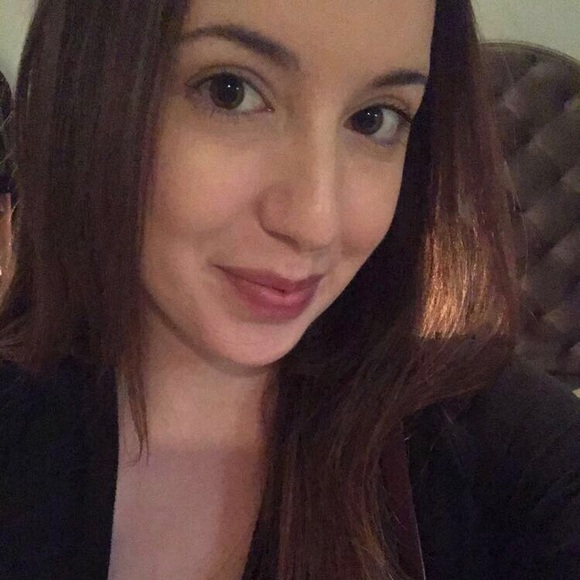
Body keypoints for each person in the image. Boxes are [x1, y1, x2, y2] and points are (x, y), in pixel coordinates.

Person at [0, 0, 579, 578]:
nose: (314, 223)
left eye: (374, 119)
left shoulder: (506, 451)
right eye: (230, 92)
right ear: (85, 88)